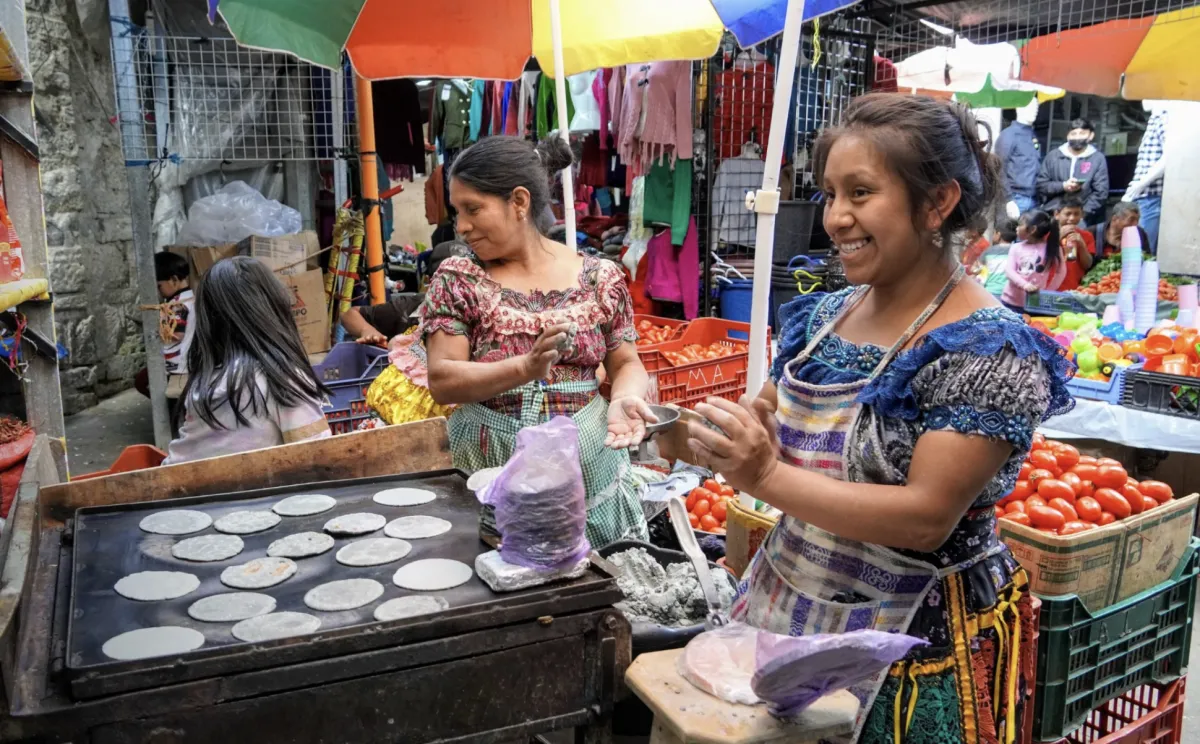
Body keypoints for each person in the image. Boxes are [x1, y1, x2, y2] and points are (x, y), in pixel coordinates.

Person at [683, 94, 1073, 742]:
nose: (836, 217)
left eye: (860, 193)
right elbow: (780, 428)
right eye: (830, 193)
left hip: (913, 653)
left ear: (937, 203)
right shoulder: (823, 316)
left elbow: (925, 517)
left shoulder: (989, 349)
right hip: (790, 608)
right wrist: (727, 433)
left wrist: (764, 474)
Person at [422, 134, 655, 547]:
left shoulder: (600, 278)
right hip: (491, 467)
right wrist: (524, 369)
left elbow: (626, 363)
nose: (461, 226)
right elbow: (442, 379)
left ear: (519, 201)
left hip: (590, 467)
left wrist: (624, 398)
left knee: (591, 581)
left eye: (473, 209)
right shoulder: (459, 279)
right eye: (458, 212)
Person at [163, 257, 331, 465]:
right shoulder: (281, 380)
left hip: (183, 486)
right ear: (274, 309)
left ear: (207, 322)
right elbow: (321, 458)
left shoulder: (203, 382)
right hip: (256, 492)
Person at [135, 251, 195, 398]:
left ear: (174, 279)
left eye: (159, 286)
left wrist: (155, 332)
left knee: (143, 383)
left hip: (176, 365)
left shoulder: (178, 305)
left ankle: (165, 414)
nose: (158, 291)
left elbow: (177, 334)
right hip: (181, 361)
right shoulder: (186, 298)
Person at [1036, 118, 1109, 223]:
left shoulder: (1097, 158)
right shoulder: (1053, 156)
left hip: (1083, 216)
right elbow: (1041, 185)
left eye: (1082, 133)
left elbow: (1101, 192)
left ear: (1091, 136)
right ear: (1067, 136)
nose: (1077, 137)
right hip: (1053, 214)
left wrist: (1082, 214)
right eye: (1073, 134)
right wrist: (1063, 186)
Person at [1123, 101, 1168, 254]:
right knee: (1136, 249)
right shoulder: (1155, 119)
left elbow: (1168, 158)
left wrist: (1140, 185)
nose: (1143, 100)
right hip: (1144, 196)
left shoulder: (1163, 118)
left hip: (1151, 195)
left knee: (1142, 251)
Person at [1002, 209, 1066, 313]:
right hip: (1010, 301)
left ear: (1032, 229)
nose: (1016, 228)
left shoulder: (1053, 248)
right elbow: (1009, 270)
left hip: (1035, 304)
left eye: (1020, 225)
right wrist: (1024, 285)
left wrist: (1049, 290)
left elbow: (1061, 271)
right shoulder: (1016, 247)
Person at [994, 99, 1041, 215]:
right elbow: (998, 168)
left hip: (1034, 199)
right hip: (1016, 198)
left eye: (1036, 107)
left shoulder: (1033, 135)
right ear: (1018, 108)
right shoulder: (1009, 135)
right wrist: (1008, 199)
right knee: (1011, 232)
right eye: (1030, 106)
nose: (1034, 111)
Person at [1055, 196, 1095, 291]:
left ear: (1082, 215)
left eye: (1076, 214)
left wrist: (1081, 245)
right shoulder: (1048, 234)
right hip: (1051, 287)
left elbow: (1088, 265)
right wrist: (1058, 238)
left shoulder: (1087, 236)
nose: (1072, 218)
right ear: (1057, 214)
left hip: (1075, 288)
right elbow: (1042, 259)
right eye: (1068, 214)